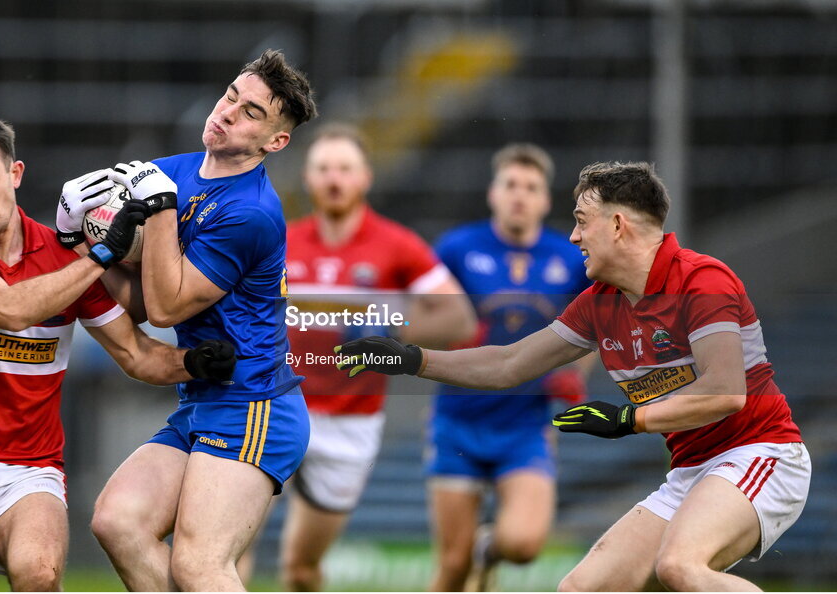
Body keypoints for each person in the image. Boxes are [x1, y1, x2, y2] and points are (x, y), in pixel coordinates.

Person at [336, 161, 810, 592]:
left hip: (762, 451)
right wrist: (412, 358)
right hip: (693, 470)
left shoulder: (702, 281)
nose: (573, 237)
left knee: (680, 567)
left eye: (582, 221)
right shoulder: (600, 303)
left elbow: (725, 392)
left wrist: (629, 418)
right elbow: (509, 364)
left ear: (618, 225)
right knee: (579, 590)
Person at [0, 112, 235, 591]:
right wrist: (98, 257)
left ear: (15, 174)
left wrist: (194, 362)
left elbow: (137, 354)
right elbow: (10, 309)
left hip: (29, 466)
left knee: (39, 574)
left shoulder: (64, 260)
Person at [62, 49, 317, 592]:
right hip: (205, 397)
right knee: (119, 522)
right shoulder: (170, 172)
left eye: (251, 113)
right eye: (231, 95)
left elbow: (165, 308)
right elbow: (136, 298)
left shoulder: (250, 212)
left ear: (276, 142)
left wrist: (155, 214)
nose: (227, 112)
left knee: (199, 565)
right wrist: (81, 239)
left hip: (254, 404)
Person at [271, 123, 475, 591]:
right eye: (323, 168)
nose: (334, 179)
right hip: (274, 408)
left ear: (365, 178)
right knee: (228, 547)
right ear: (308, 177)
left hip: (349, 423)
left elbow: (459, 318)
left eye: (345, 168)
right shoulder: (280, 240)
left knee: (300, 571)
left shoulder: (396, 245)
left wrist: (392, 334)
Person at [426, 143, 591, 591]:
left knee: (522, 545)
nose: (520, 195)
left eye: (531, 187)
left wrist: (576, 371)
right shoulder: (458, 249)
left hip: (525, 425)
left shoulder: (571, 258)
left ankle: (489, 548)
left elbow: (597, 322)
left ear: (545, 200)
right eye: (511, 185)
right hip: (458, 422)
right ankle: (470, 556)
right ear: (493, 193)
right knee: (452, 566)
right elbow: (423, 314)